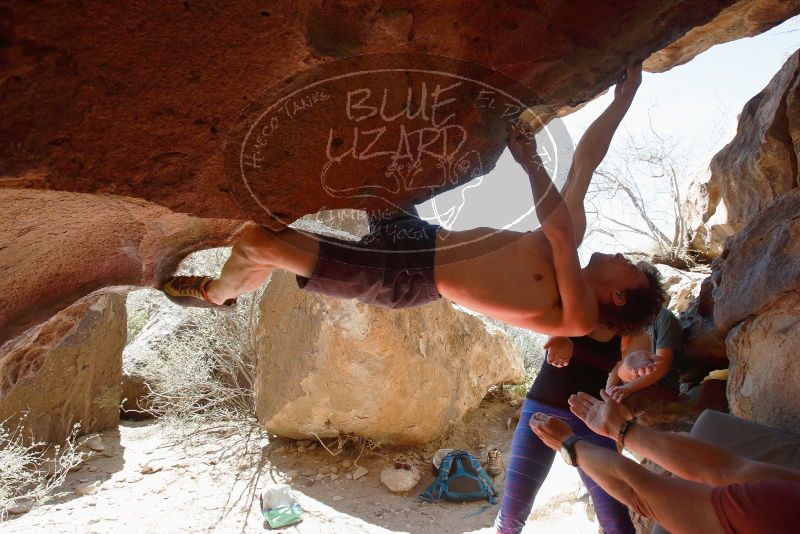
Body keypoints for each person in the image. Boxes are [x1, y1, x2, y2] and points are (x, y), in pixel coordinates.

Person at [163, 63, 664, 337]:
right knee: (373, 164)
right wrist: (623, 100)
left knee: (257, 242)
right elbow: (586, 164)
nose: (622, 257)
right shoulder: (567, 247)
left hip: (403, 277)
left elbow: (557, 236)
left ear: (618, 295)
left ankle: (217, 295)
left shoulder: (575, 317)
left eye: (630, 268)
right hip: (419, 237)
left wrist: (530, 162)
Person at [527, 391, 800, 533]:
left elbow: (639, 494)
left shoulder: (777, 514)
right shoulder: (784, 497)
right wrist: (622, 429)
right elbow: (729, 469)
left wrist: (569, 446)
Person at [495, 331, 636, 533]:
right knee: (511, 516)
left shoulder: (629, 323)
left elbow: (626, 365)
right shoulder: (579, 305)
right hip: (540, 412)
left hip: (591, 420)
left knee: (616, 520)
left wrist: (632, 367)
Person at [606, 306, 684, 402]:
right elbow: (617, 366)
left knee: (618, 405)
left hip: (661, 386)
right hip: (628, 384)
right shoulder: (627, 324)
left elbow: (662, 367)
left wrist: (628, 388)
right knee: (607, 403)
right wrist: (608, 392)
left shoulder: (664, 319)